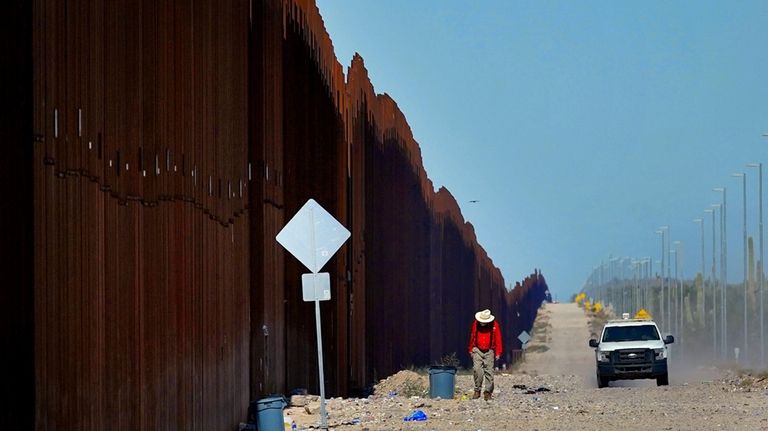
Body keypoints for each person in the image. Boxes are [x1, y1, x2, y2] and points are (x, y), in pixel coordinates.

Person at [467, 309, 503, 400]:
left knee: (489, 372)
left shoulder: (495, 325)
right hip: (477, 349)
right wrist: (471, 349)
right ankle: (477, 390)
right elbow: (472, 336)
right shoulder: (475, 324)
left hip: (489, 350)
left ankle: (488, 392)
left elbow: (498, 339)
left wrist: (498, 352)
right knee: (477, 369)